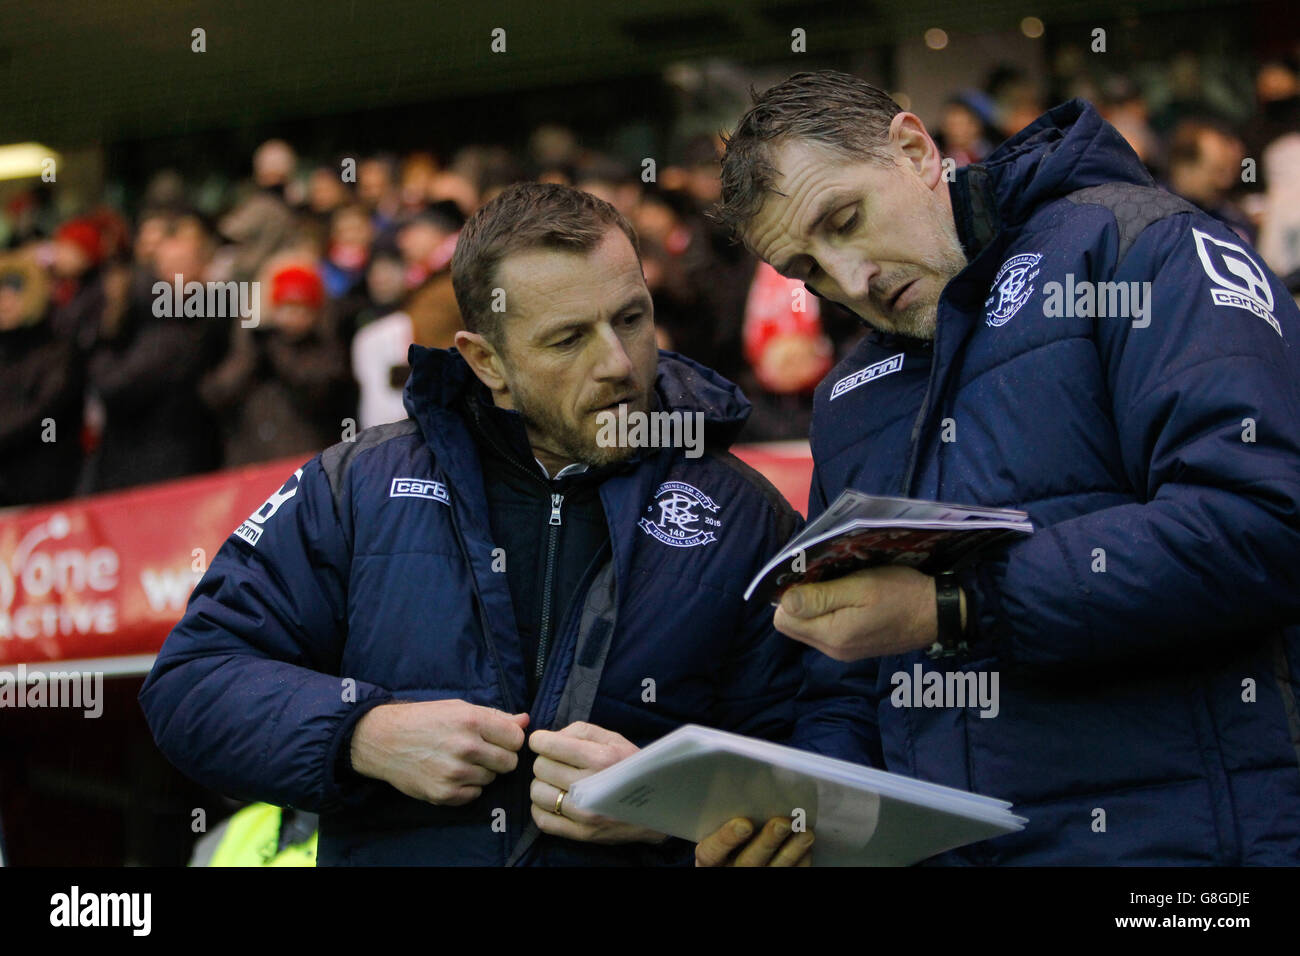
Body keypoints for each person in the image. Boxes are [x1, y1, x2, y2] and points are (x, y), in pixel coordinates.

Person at [697, 69, 1300, 865]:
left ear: (915, 150)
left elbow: (1263, 522)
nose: (851, 281)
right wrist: (809, 818)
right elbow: (847, 685)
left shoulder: (1139, 247)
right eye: (807, 270)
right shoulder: (850, 394)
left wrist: (956, 604)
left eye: (845, 219)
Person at [139, 182, 805, 866]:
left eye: (631, 319)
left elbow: (819, 752)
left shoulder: (746, 515)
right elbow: (192, 682)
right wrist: (362, 733)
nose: (616, 363)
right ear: (487, 361)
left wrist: (672, 806)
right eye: (568, 339)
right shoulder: (357, 489)